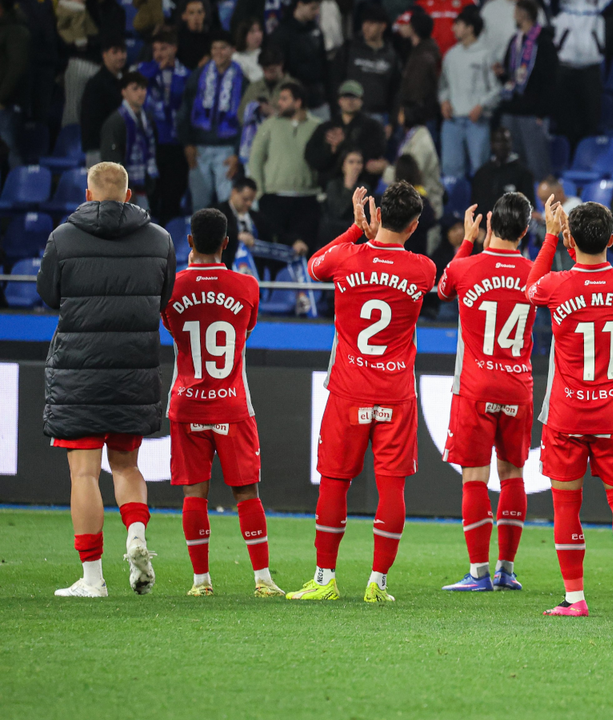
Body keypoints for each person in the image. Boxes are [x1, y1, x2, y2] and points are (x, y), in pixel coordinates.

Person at [289, 184, 437, 603]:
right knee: (392, 488)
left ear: (376, 216)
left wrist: (356, 231)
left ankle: (324, 579)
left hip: (349, 390)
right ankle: (378, 582)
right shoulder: (423, 268)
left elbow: (314, 266)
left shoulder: (345, 257)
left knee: (335, 483)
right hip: (396, 393)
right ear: (413, 225)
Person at [37, 162, 176, 598]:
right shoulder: (160, 239)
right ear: (129, 196)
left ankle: (93, 579)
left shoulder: (62, 237)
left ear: (88, 194)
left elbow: (47, 294)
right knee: (126, 465)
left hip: (79, 371)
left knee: (83, 474)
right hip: (133, 369)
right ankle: (136, 534)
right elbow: (165, 295)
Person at [525, 198, 613, 620]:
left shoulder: (557, 285)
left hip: (567, 414)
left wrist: (551, 237)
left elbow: (529, 287)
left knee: (565, 506)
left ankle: (575, 598)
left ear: (571, 242)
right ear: (612, 240)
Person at [159, 208, 281, 597]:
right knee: (247, 493)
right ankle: (262, 580)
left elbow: (172, 327)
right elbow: (246, 328)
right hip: (232, 404)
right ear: (226, 243)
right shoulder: (247, 286)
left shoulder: (172, 287)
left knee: (194, 493)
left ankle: (201, 583)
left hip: (188, 403)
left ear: (190, 241)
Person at [436, 196, 535, 591]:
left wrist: (466, 242)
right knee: (513, 475)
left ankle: (479, 572)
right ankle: (506, 570)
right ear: (526, 231)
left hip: (475, 386)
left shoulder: (465, 267)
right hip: (518, 386)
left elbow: (443, 290)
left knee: (474, 478)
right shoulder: (535, 273)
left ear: (489, 222)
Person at [249, 82, 322, 255]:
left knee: (306, 252)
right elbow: (256, 158)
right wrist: (260, 191)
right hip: (274, 198)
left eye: (284, 99)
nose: (278, 103)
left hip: (307, 198)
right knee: (274, 252)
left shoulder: (317, 126)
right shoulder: (269, 125)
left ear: (298, 102)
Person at [178, 30, 244, 211]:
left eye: (223, 48)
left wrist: (237, 153)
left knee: (228, 205)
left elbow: (245, 120)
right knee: (199, 206)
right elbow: (185, 110)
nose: (218, 52)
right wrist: (187, 144)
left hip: (226, 150)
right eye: (214, 48)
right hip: (199, 149)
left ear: (232, 50)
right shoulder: (198, 76)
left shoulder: (242, 79)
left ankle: (228, 240)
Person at [495, 0, 557, 183]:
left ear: (524, 13)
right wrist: (502, 75)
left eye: (516, 10)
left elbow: (550, 80)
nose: (513, 14)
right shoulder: (515, 41)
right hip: (512, 109)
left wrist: (542, 112)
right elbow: (513, 78)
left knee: (538, 165)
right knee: (514, 165)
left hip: (532, 113)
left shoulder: (543, 42)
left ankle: (544, 206)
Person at [439, 6, 500, 177]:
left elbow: (496, 89)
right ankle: (454, 203)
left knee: (481, 170)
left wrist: (481, 106)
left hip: (477, 121)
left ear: (470, 28)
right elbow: (443, 85)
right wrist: (444, 101)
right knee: (450, 170)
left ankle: (482, 203)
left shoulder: (487, 54)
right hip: (452, 121)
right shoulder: (450, 55)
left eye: (458, 24)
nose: (454, 28)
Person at [137, 30, 191, 224]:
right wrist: (157, 69)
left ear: (174, 48)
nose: (158, 53)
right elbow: (139, 82)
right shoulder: (144, 69)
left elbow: (180, 101)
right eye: (155, 49)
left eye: (164, 48)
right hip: (150, 142)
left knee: (172, 194)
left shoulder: (185, 74)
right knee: (151, 193)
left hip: (176, 143)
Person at [304, 79, 388, 187]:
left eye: (354, 97)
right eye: (345, 97)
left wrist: (342, 145)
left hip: (363, 187)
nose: (350, 101)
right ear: (339, 100)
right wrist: (330, 150)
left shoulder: (373, 127)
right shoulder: (326, 127)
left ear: (361, 101)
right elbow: (311, 157)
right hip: (330, 188)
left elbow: (375, 154)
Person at [550, 0, 608, 144]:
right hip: (565, 65)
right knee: (565, 118)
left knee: (591, 117)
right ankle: (569, 154)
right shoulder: (561, 7)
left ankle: (587, 154)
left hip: (591, 66)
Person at [100, 72, 158, 210]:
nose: (141, 93)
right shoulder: (115, 121)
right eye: (135, 88)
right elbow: (111, 159)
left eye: (143, 88)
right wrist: (124, 187)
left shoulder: (147, 120)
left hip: (142, 186)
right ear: (124, 92)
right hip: (121, 190)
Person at [385, 102, 445, 223]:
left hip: (427, 202)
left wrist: (385, 170)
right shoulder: (412, 136)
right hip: (412, 201)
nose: (398, 115)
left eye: (401, 112)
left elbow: (410, 172)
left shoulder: (422, 141)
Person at [344, 4, 401, 124]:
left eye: (371, 23)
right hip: (350, 115)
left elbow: (396, 90)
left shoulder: (391, 55)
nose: (366, 27)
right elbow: (335, 80)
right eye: (364, 23)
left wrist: (391, 121)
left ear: (382, 26)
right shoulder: (349, 49)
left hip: (379, 116)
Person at [271, 0, 328, 114]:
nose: (316, 12)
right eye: (313, 8)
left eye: (318, 9)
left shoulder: (315, 30)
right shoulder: (282, 33)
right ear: (300, 4)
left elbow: (323, 64)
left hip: (318, 99)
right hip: (295, 100)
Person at [80, 39, 127, 167]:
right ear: (104, 54)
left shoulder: (123, 81)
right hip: (99, 149)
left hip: (116, 147)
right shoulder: (96, 84)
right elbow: (91, 121)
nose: (120, 56)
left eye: (123, 51)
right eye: (115, 52)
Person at [469, 127, 534, 217]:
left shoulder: (523, 174)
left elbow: (528, 208)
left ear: (511, 143)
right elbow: (476, 206)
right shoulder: (481, 174)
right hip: (485, 228)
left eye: (505, 141)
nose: (502, 145)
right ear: (491, 144)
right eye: (498, 141)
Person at [397, 10, 442, 138]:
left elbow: (416, 90)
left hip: (419, 119)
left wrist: (408, 115)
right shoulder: (422, 51)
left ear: (413, 29)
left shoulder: (423, 56)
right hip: (422, 117)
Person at [318, 148, 373, 245]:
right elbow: (338, 211)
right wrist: (349, 185)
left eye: (359, 162)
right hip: (332, 237)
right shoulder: (333, 185)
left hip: (355, 240)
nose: (355, 166)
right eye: (351, 162)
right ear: (343, 165)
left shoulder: (365, 188)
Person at [214, 176, 265, 267]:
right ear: (234, 192)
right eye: (245, 199)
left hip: (254, 268)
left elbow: (275, 231)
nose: (249, 203)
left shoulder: (256, 216)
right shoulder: (217, 211)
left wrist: (294, 241)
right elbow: (213, 231)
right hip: (226, 264)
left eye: (252, 200)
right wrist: (237, 236)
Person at [0, 0, 30, 155]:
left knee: (8, 151)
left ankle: (20, 179)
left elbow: (17, 68)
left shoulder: (16, 31)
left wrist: (1, 97)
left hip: (7, 107)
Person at [239, 46, 295, 121]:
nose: (268, 75)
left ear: (281, 65)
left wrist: (274, 113)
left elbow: (298, 118)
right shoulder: (254, 87)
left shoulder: (293, 87)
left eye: (272, 70)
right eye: (265, 70)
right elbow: (241, 116)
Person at [176, 0, 213, 71]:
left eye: (199, 12)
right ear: (184, 16)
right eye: (191, 13)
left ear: (204, 14)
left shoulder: (212, 37)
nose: (196, 17)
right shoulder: (178, 38)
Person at [232, 18, 265, 82]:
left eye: (259, 30)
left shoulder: (264, 53)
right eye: (252, 32)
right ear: (243, 35)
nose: (258, 35)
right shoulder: (236, 58)